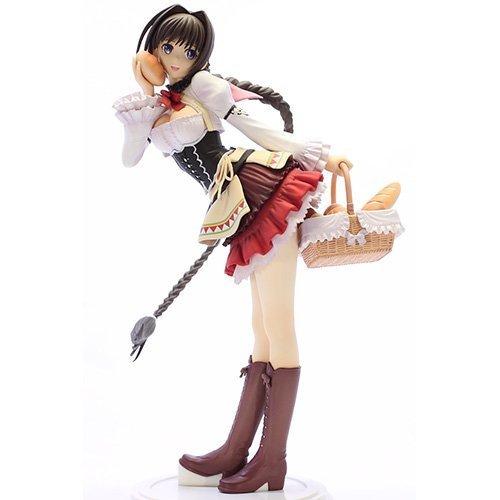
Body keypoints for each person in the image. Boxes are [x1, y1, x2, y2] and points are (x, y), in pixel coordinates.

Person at [113, 4, 352, 494]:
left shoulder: (204, 87)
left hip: (259, 190)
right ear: (152, 49)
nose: (176, 58)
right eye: (167, 47)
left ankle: (272, 460)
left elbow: (254, 127)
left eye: (188, 51)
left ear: (201, 56)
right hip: (235, 205)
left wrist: (321, 155)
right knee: (261, 328)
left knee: (278, 324)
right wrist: (141, 110)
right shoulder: (157, 105)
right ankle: (237, 450)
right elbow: (130, 159)